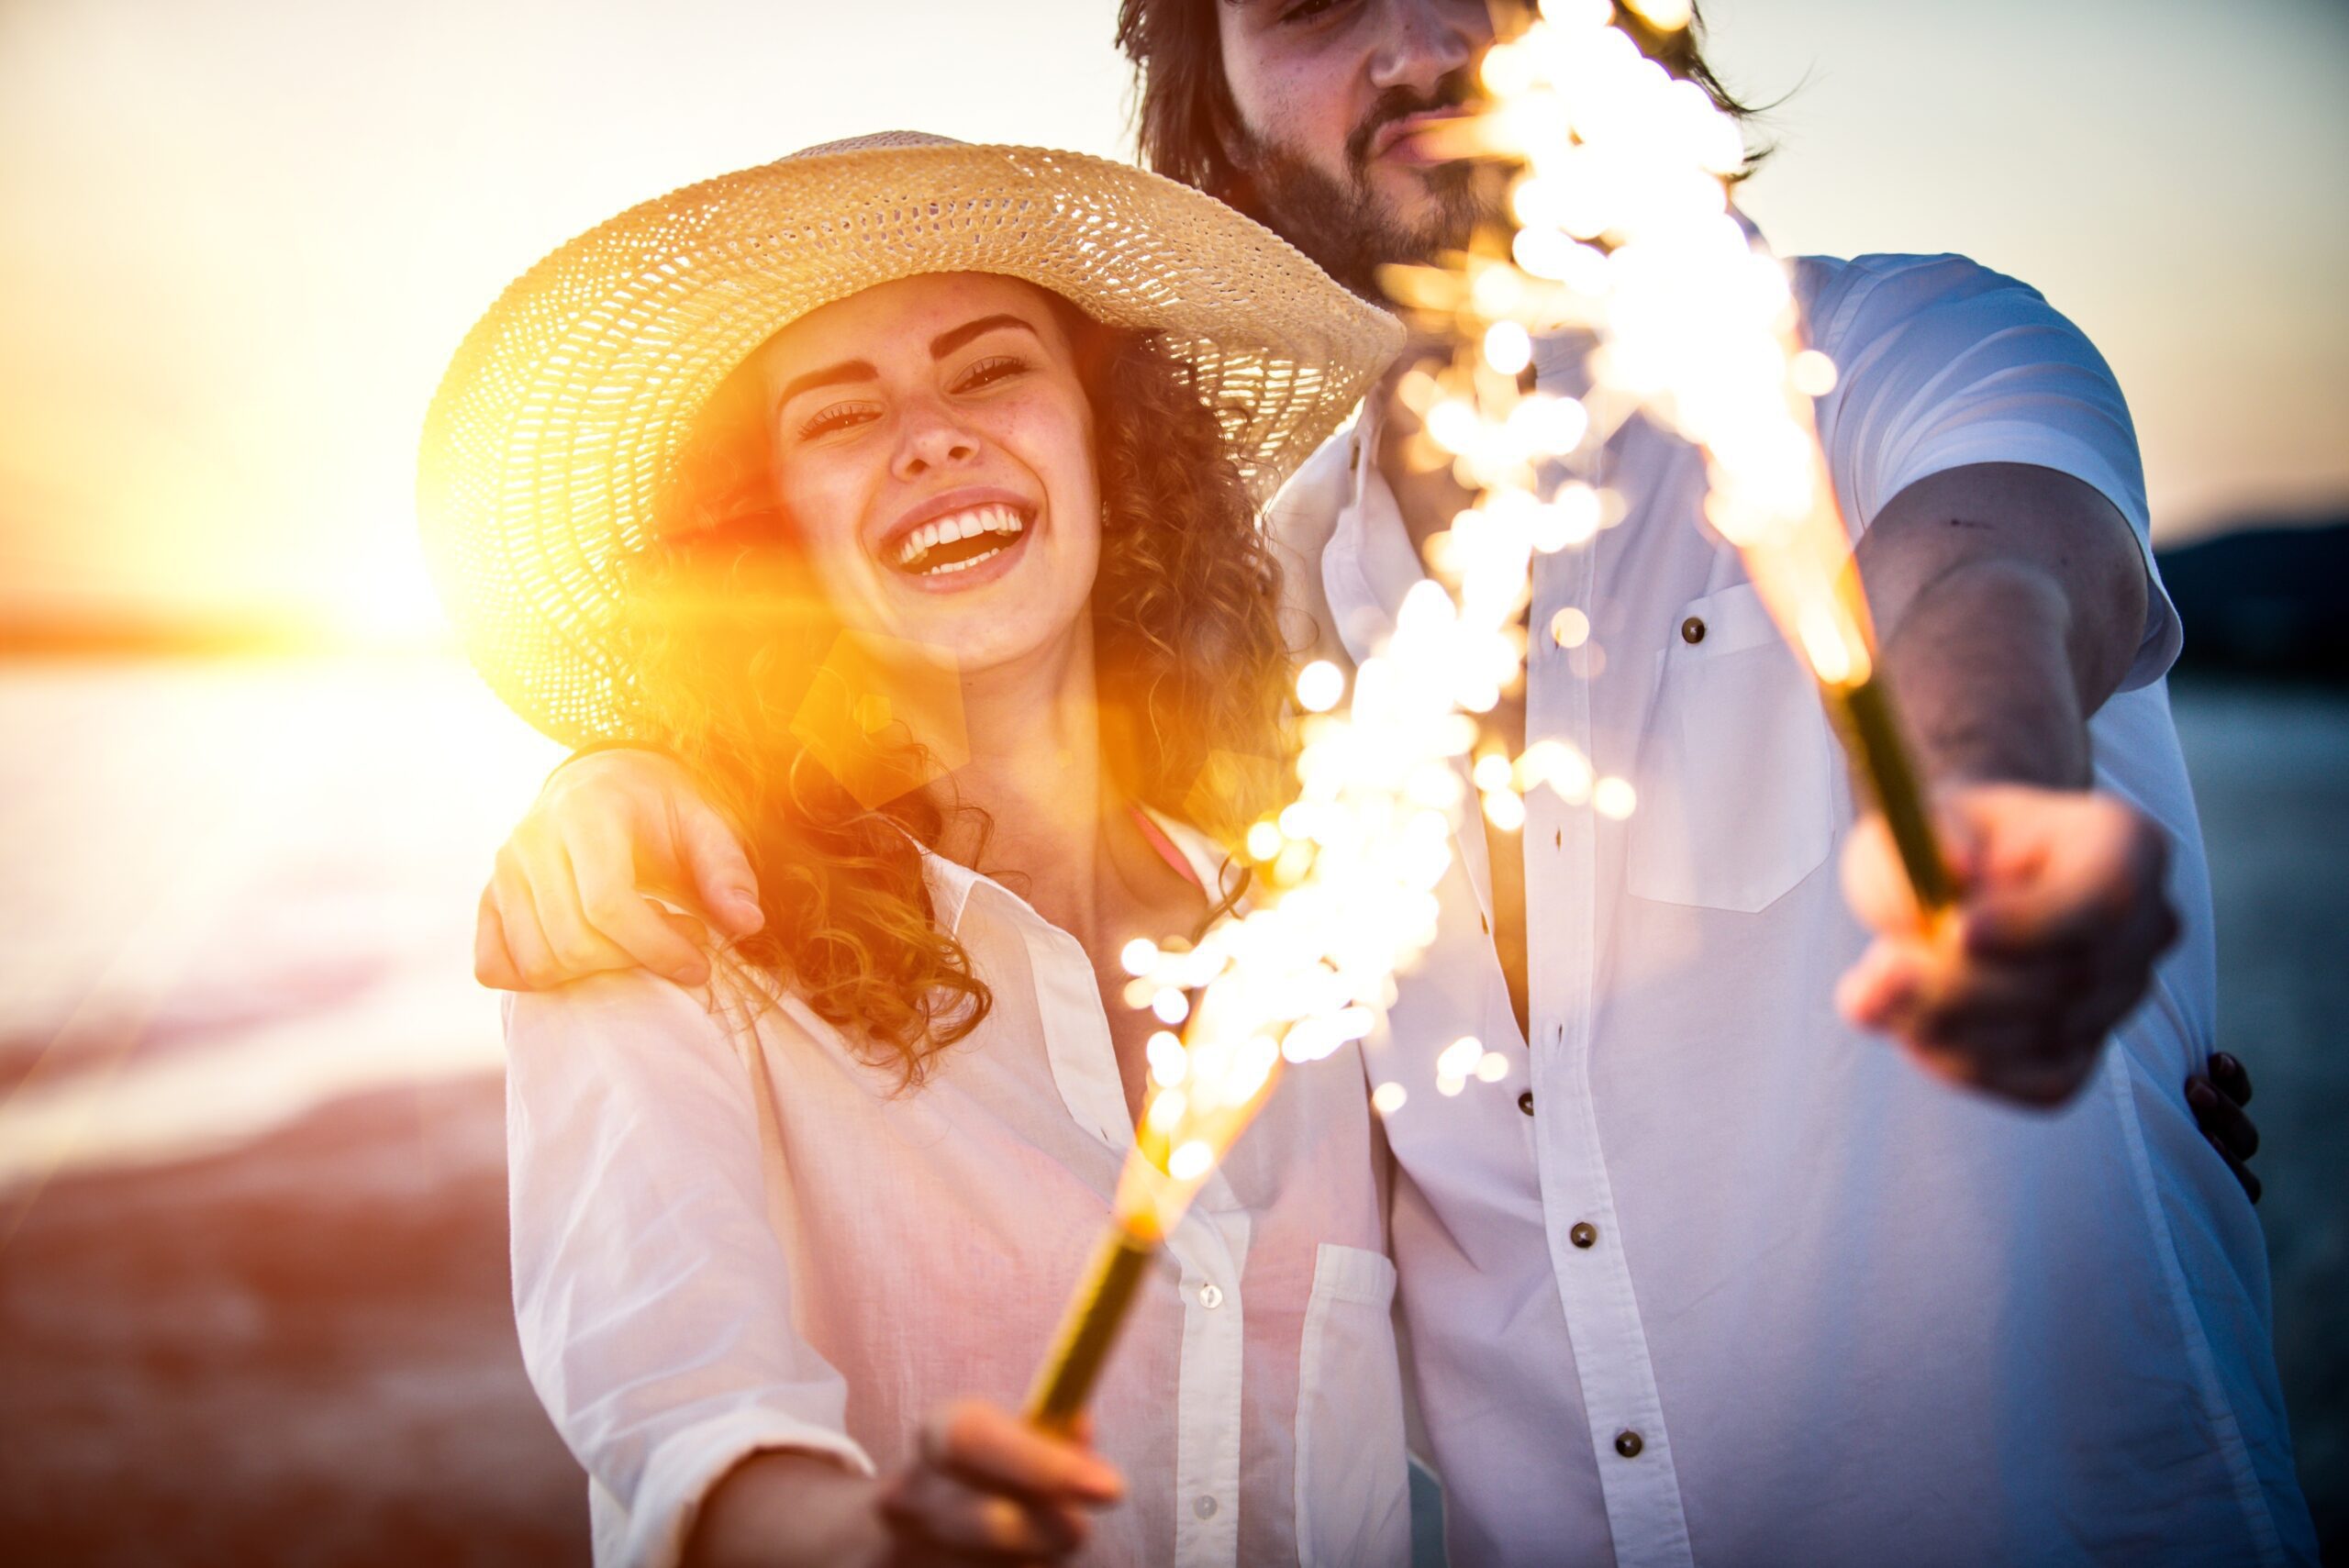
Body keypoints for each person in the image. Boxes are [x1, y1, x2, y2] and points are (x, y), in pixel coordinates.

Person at [471, 10, 2316, 1568]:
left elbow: (1993, 566)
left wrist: (1988, 794)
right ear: (1216, 114)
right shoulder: (1262, 645)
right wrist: (626, 778)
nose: (1414, 39)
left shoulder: (1898, 356)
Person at [422, 133, 1411, 1566]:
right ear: (768, 534)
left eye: (991, 368)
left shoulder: (1312, 945)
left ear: (1106, 436)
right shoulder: (657, 925)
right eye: (838, 417)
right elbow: (678, 1416)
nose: (931, 438)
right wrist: (864, 1538)